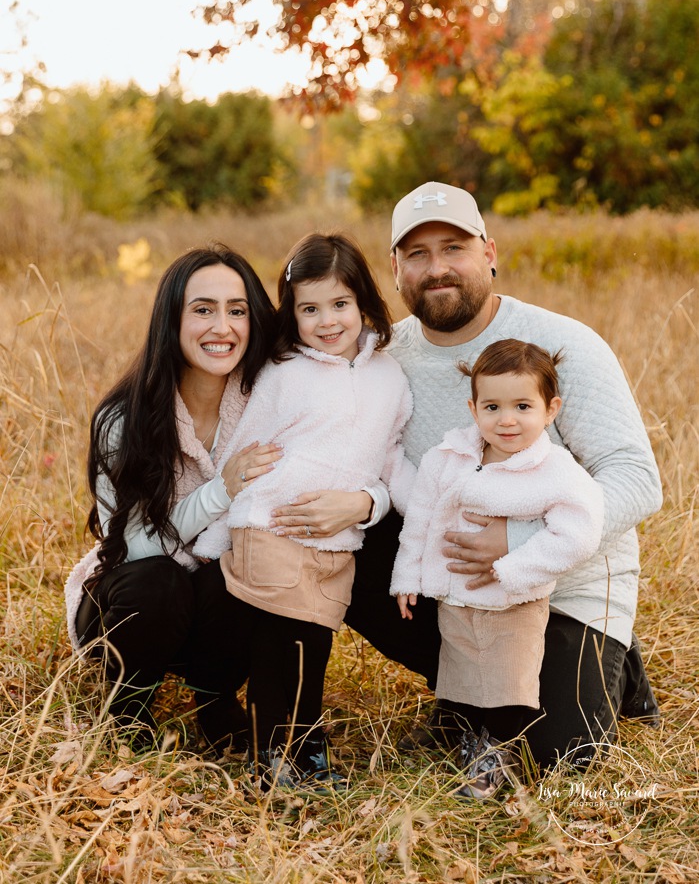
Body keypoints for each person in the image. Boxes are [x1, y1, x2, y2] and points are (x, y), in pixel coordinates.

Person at [335, 181, 663, 770]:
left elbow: (636, 477)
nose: (437, 269)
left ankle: (611, 657)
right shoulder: (383, 359)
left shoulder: (563, 344)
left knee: (556, 758)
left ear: (490, 251)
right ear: (395, 268)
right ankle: (471, 689)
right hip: (460, 586)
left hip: (566, 586)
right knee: (346, 543)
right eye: (418, 254)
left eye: (454, 247)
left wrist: (520, 543)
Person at [64, 244, 376, 753]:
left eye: (237, 311)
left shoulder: (268, 397)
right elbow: (136, 548)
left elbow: (348, 460)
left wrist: (366, 502)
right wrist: (222, 490)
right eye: (203, 309)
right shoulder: (124, 420)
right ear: (172, 319)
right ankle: (129, 707)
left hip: (220, 605)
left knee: (246, 569)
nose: (222, 327)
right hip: (133, 606)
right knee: (159, 582)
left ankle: (213, 698)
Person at [192, 232, 414, 790]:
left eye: (339, 304)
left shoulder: (388, 377)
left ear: (363, 302)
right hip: (273, 523)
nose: (327, 321)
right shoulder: (282, 373)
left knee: (314, 638)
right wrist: (215, 537)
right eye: (309, 308)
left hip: (338, 540)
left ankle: (296, 741)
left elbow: (391, 457)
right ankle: (279, 754)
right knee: (286, 637)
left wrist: (422, 512)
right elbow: (240, 446)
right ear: (290, 312)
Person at [391, 339, 605, 798]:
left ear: (551, 410)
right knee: (462, 675)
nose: (507, 420)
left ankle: (498, 750)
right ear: (473, 409)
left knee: (510, 682)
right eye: (493, 406)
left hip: (515, 601)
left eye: (523, 406)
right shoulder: (448, 460)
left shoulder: (555, 470)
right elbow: (421, 522)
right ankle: (471, 739)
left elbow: (578, 533)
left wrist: (512, 568)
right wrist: (407, 577)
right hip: (457, 597)